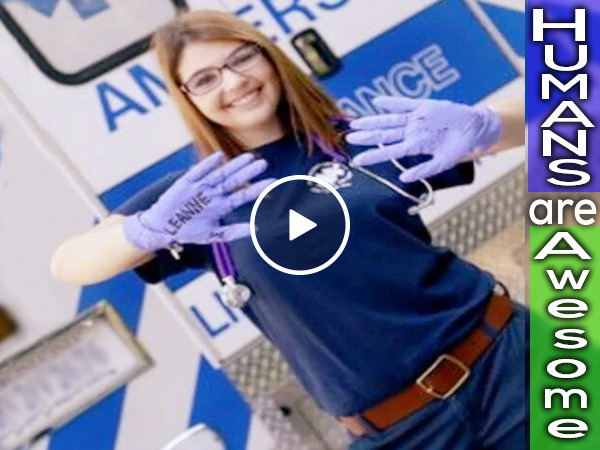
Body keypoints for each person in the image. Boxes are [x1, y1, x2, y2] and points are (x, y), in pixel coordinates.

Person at [51, 10, 528, 449]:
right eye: (205, 79)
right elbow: (70, 264)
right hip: (400, 433)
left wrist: (487, 124)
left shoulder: (364, 138)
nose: (234, 82)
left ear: (269, 56)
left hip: (508, 366)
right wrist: (143, 231)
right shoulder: (199, 196)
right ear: (188, 99)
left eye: (242, 58)